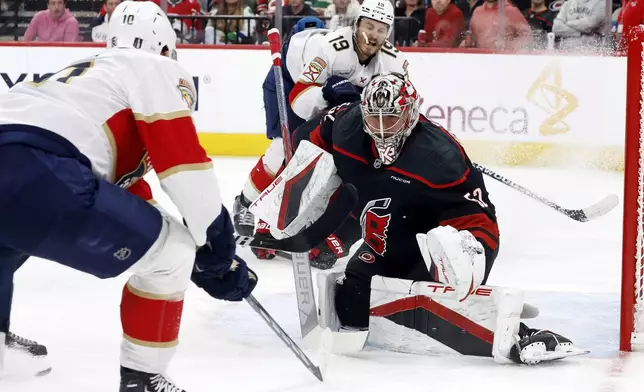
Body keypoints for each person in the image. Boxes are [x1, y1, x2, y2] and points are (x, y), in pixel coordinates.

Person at [0, 2, 257, 391]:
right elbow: (184, 168)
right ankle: (142, 378)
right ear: (166, 49)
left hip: (21, 159)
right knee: (172, 255)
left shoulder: (85, 79)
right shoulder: (154, 67)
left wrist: (203, 254)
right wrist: (214, 244)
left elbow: (122, 194)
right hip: (42, 172)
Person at [289, 72, 582, 364]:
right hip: (391, 233)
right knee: (351, 302)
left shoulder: (440, 157)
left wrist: (465, 256)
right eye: (373, 118)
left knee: (434, 302)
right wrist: (290, 194)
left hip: (440, 235)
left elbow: (478, 217)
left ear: (411, 114)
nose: (380, 129)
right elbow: (304, 142)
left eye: (390, 118)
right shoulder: (346, 124)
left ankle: (520, 331)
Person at [233, 0, 409, 268]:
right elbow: (299, 98)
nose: (373, 35)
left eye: (381, 29)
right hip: (292, 80)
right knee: (288, 149)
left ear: (388, 34)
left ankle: (305, 220)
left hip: (336, 107)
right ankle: (247, 204)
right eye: (369, 26)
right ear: (357, 23)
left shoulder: (395, 62)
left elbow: (403, 104)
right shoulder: (332, 48)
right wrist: (327, 95)